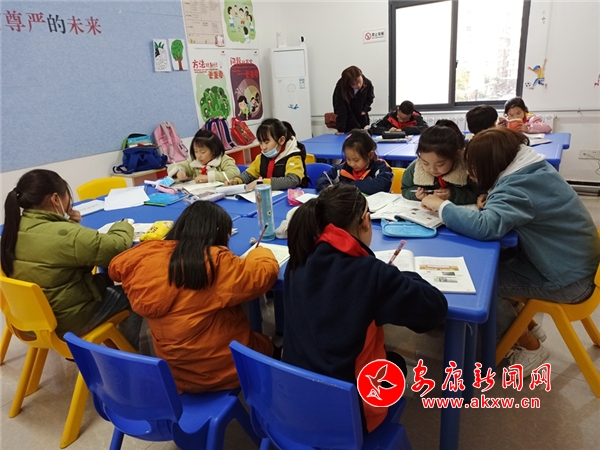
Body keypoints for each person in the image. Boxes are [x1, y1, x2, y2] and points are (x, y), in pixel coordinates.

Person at [421, 128, 600, 376]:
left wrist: (442, 206)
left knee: (486, 285)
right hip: (573, 264)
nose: (470, 174)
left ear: (491, 165)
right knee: (496, 265)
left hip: (569, 281)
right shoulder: (532, 169)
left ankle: (527, 347)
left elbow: (486, 226)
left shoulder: (518, 186)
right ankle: (526, 326)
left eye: (473, 168)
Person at [283, 184, 447, 433]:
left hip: (291, 402)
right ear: (365, 220)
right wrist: (403, 276)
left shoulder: (300, 257)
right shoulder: (372, 274)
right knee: (396, 364)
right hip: (348, 417)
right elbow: (434, 311)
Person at [109, 201, 279, 393]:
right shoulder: (215, 263)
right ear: (217, 232)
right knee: (266, 345)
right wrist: (261, 252)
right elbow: (264, 274)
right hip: (221, 370)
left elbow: (115, 269)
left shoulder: (146, 257)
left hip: (175, 372)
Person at [0, 169, 142, 349]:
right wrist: (124, 225)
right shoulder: (68, 235)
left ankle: (114, 339)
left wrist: (67, 223)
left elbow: (56, 253)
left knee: (105, 279)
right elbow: (115, 247)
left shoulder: (13, 227)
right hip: (67, 322)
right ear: (55, 199)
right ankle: (126, 352)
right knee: (136, 293)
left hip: (30, 320)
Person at [401, 125, 479, 204]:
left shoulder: (467, 169)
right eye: (425, 163)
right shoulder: (415, 168)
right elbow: (405, 189)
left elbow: (479, 193)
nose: (432, 169)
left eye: (440, 164)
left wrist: (453, 194)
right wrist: (416, 195)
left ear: (454, 156)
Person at [225, 118, 309, 190]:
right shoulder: (262, 157)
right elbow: (249, 174)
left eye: (266, 142)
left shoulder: (293, 156)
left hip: (291, 197)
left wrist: (262, 183)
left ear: (281, 140)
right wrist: (236, 181)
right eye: (260, 143)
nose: (263, 147)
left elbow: (292, 181)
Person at [316, 129, 393, 194]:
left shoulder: (381, 167)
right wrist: (328, 187)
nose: (352, 164)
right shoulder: (343, 168)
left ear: (370, 155)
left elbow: (383, 185)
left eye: (356, 160)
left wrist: (351, 186)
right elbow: (323, 177)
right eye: (348, 159)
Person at [168, 129, 240, 183]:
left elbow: (234, 172)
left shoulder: (223, 159)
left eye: (203, 152)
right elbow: (172, 167)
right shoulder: (194, 161)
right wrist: (178, 172)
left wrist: (209, 177)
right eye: (196, 151)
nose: (198, 156)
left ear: (213, 150)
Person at [332, 66, 375, 133]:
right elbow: (340, 108)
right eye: (354, 84)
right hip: (347, 120)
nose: (358, 85)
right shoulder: (341, 87)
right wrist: (341, 129)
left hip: (362, 118)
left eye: (359, 81)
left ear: (361, 75)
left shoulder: (367, 83)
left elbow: (370, 97)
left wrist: (364, 109)